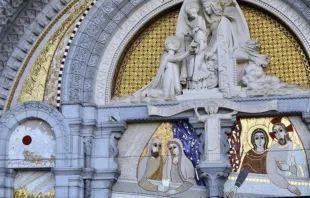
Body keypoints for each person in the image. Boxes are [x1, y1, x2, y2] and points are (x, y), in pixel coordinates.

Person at [136, 36, 191, 100]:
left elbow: (179, 57)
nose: (170, 45)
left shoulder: (175, 56)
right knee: (165, 94)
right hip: (169, 73)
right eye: (170, 44)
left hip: (173, 74)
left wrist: (188, 51)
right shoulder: (167, 56)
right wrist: (188, 52)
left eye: (172, 43)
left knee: (176, 91)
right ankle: (149, 92)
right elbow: (177, 58)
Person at [266, 117, 309, 196]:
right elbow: (271, 173)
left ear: (286, 132)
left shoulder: (295, 148)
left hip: (297, 185)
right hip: (279, 186)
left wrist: (289, 168)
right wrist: (288, 186)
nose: (278, 134)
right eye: (275, 132)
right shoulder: (272, 150)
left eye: (281, 130)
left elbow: (304, 170)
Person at [228, 128, 269, 198]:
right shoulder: (249, 154)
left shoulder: (270, 154)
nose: (259, 141)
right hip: (251, 185)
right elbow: (244, 171)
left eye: (262, 137)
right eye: (256, 138)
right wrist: (235, 187)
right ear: (253, 141)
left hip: (267, 185)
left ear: (266, 139)